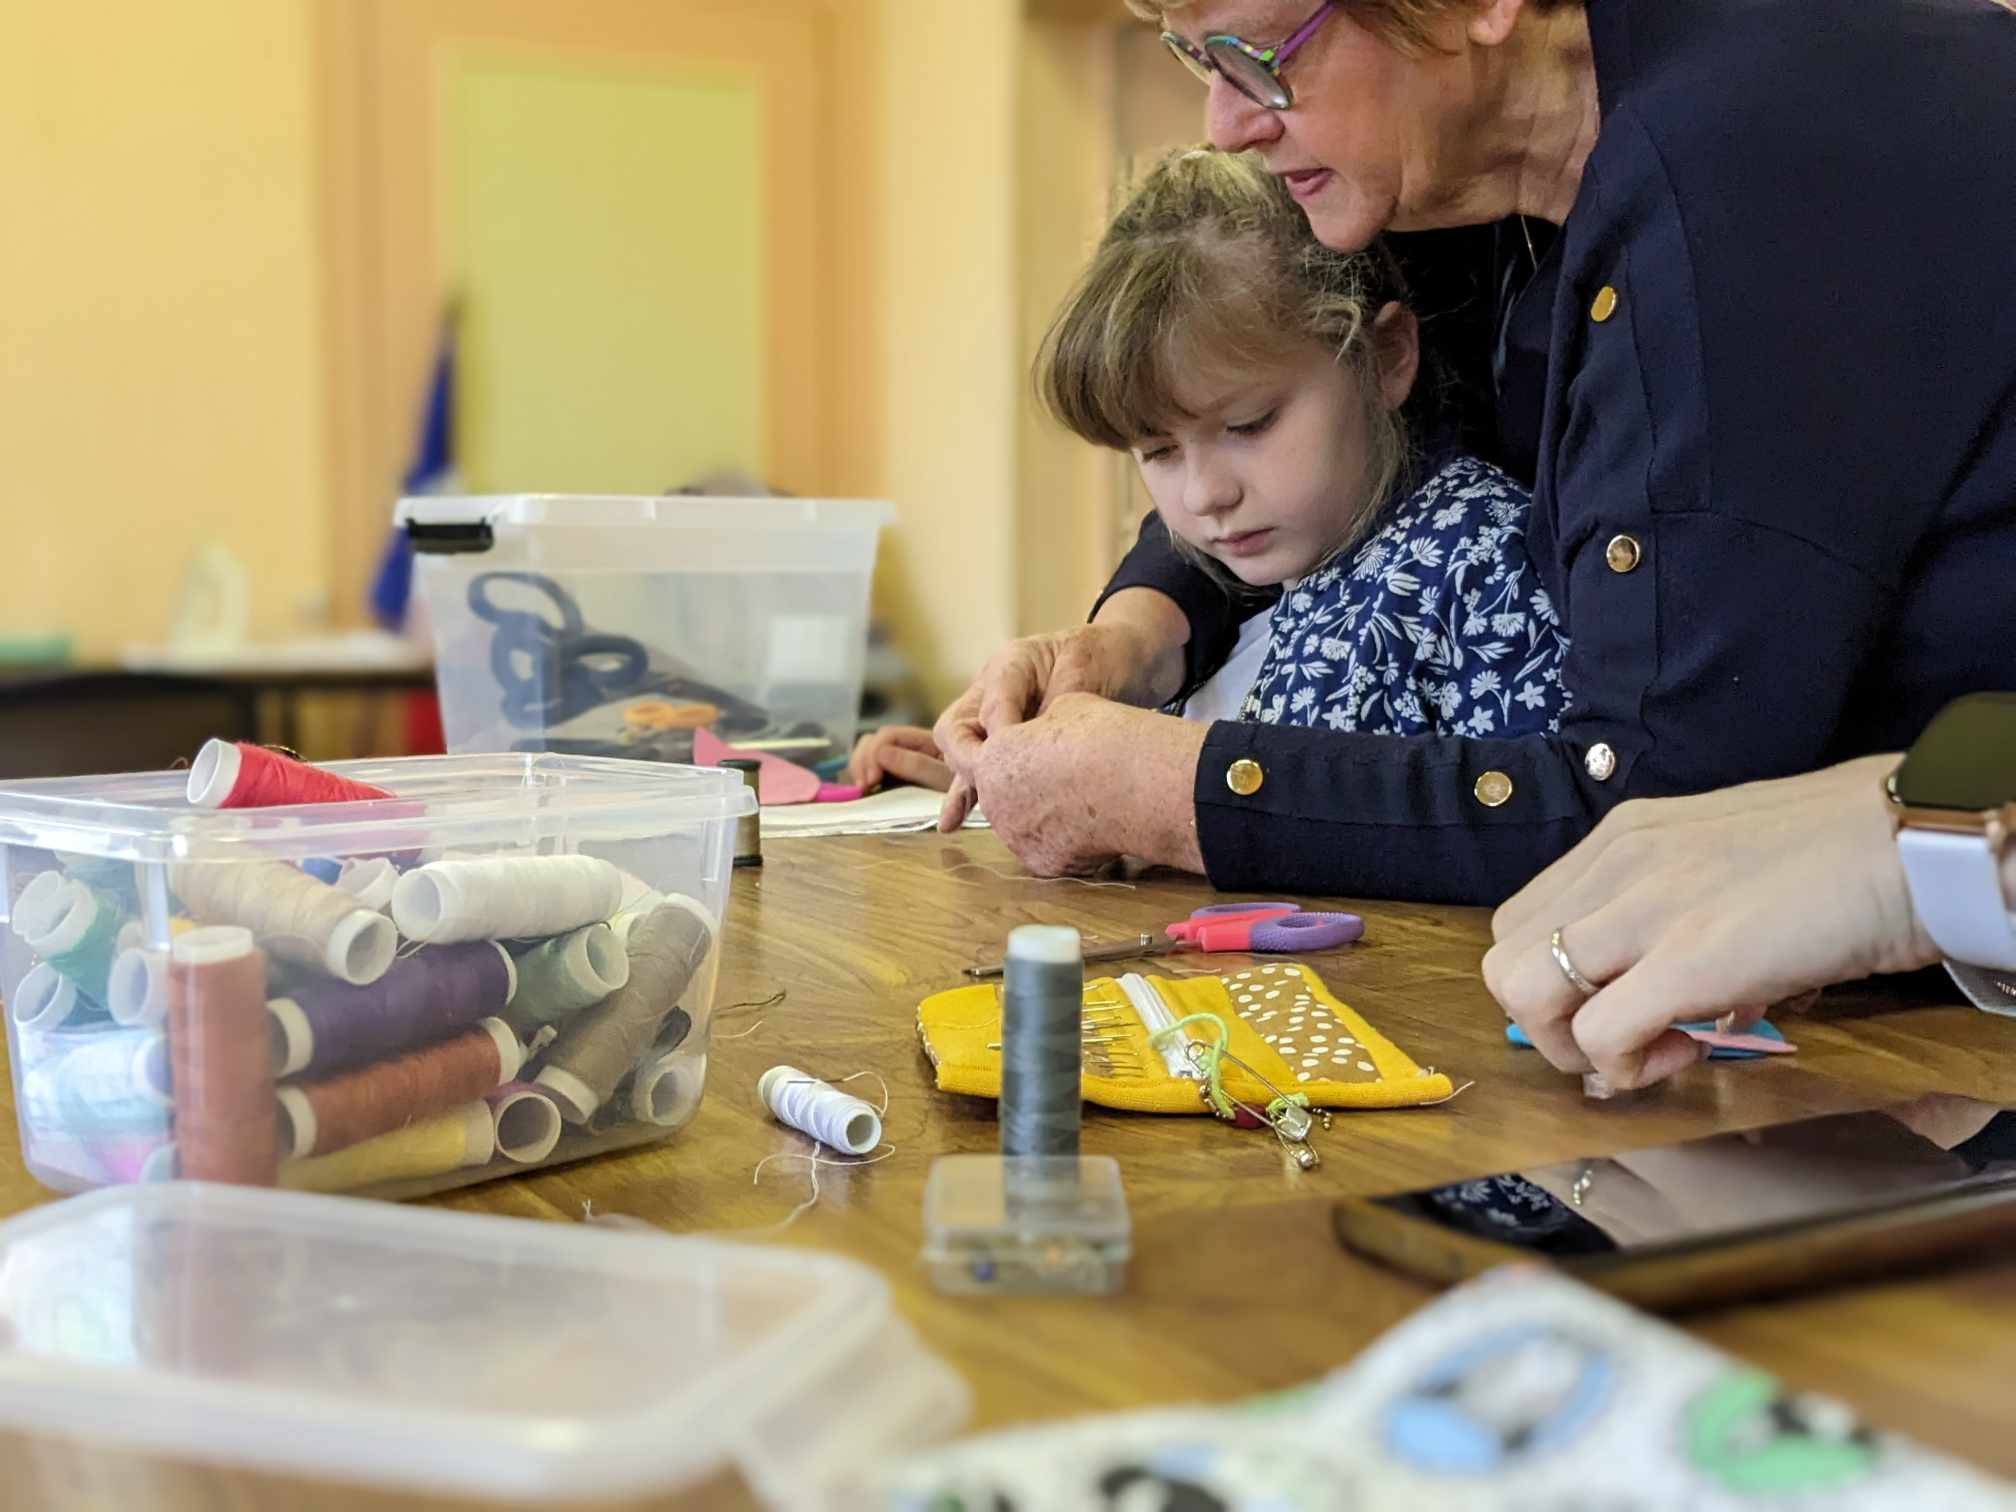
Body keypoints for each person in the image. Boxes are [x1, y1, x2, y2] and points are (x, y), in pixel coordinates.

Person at [926, 0, 2016, 903]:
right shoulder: (1459, 151)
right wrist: (1134, 634)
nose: (1223, 124)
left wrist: (1174, 793)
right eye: (1194, 58)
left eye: (1257, 57)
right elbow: (1325, 416)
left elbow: (1657, 813)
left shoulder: (1739, 185)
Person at [851, 147, 1568, 796]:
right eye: (1158, 452)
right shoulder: (1256, 583)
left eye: (1250, 425)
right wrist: (1020, 766)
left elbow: (1532, 834)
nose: (1204, 495)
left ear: (1385, 359)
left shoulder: (1479, 565)